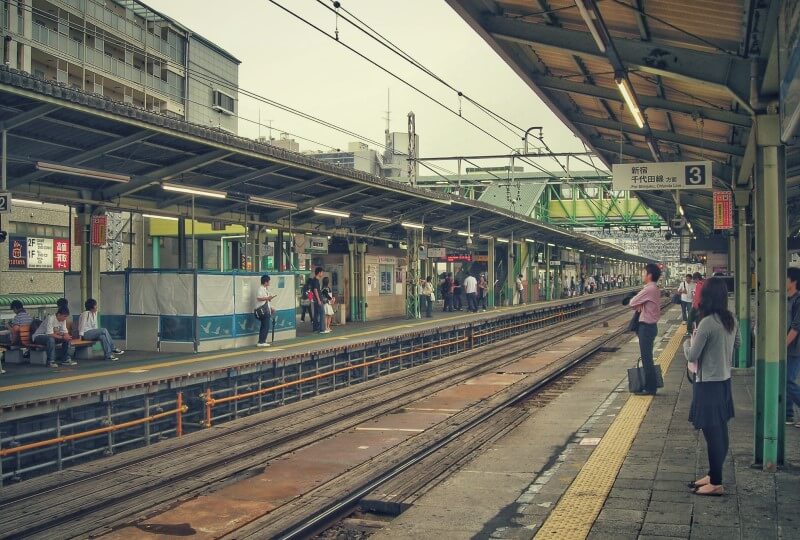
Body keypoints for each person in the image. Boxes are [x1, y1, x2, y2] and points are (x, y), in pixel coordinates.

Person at [685, 277, 740, 496]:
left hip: (708, 385)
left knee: (712, 434)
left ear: (707, 296)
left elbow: (693, 354)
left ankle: (716, 482)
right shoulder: (731, 319)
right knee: (721, 432)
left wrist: (687, 342)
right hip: (724, 382)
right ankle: (712, 474)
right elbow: (739, 344)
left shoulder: (707, 322)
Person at [627, 263, 662, 395]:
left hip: (646, 328)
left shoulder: (649, 289)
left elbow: (632, 302)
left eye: (644, 273)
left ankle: (650, 387)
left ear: (649, 275)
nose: (642, 275)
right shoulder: (653, 289)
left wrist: (638, 303)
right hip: (650, 327)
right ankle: (650, 385)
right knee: (647, 357)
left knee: (647, 358)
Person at [786, 267, 800, 427]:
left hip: (795, 348)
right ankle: (788, 414)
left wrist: (782, 346)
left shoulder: (798, 300)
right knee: (784, 379)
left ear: (793, 280)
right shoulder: (786, 299)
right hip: (787, 346)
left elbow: (796, 327)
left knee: (787, 380)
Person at [255, 274, 276, 347]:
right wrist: (268, 298)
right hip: (263, 311)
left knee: (264, 325)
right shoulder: (260, 289)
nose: (269, 282)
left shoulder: (265, 289)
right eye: (269, 281)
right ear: (265, 282)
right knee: (265, 326)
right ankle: (262, 341)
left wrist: (271, 307)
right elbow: (259, 298)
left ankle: (262, 340)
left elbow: (265, 300)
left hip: (265, 310)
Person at [310, 267, 324, 333]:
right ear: (319, 273)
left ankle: (315, 329)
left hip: (315, 300)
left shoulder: (313, 280)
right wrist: (319, 300)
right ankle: (321, 329)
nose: (322, 273)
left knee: (316, 314)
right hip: (318, 300)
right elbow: (315, 290)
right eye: (322, 272)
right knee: (322, 313)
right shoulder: (316, 280)